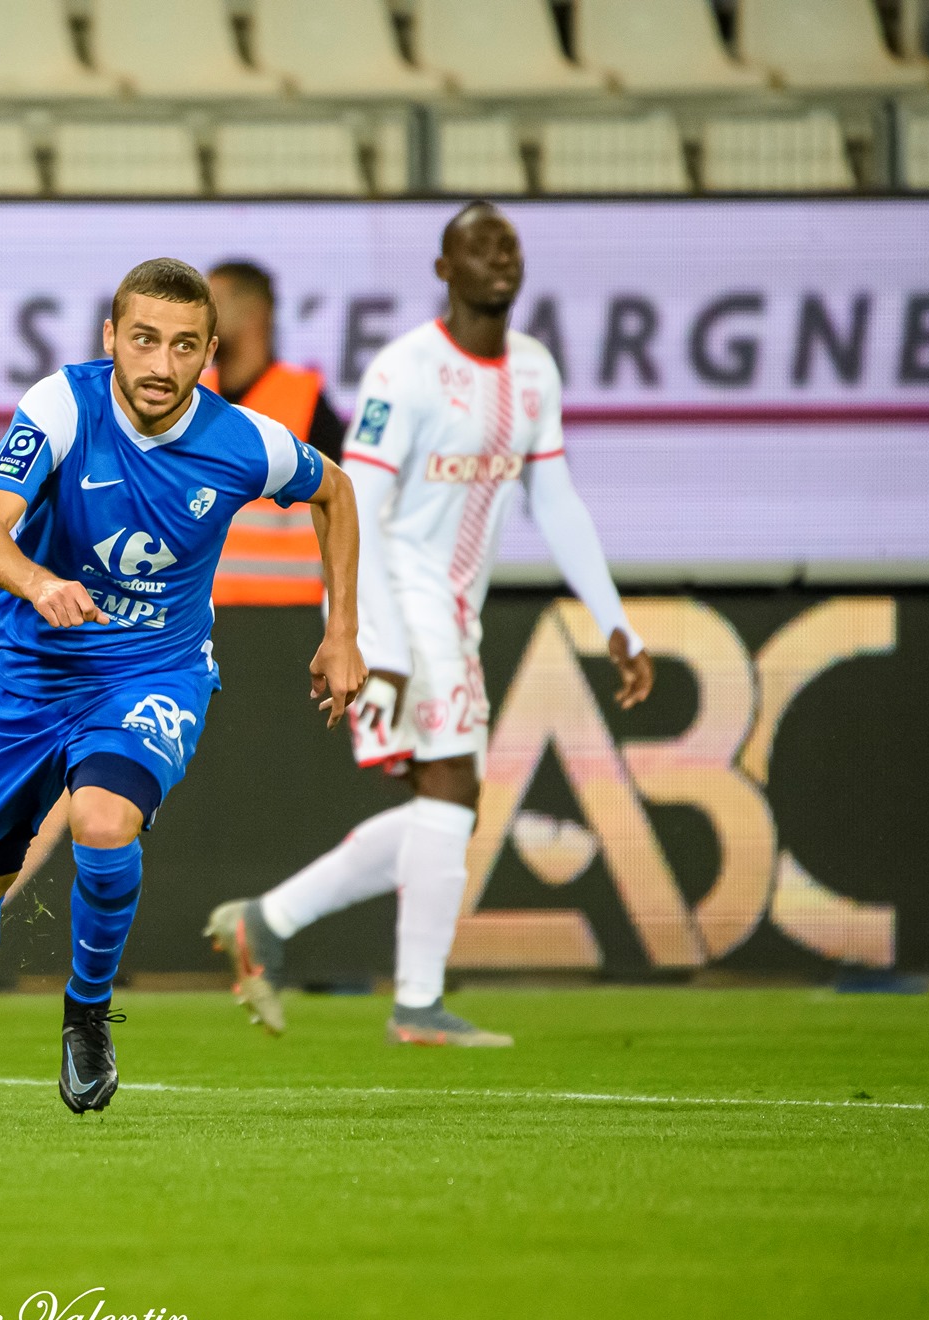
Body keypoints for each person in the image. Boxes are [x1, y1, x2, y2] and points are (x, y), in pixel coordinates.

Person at [0, 258, 367, 1122]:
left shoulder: (243, 442)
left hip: (153, 671)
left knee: (104, 822)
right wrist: (38, 582)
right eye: (144, 339)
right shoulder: (62, 407)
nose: (160, 364)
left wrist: (341, 631)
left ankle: (86, 1015)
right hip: (32, 674)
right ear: (111, 337)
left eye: (184, 346)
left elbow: (335, 490)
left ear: (210, 353)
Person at [204, 202, 654, 1047]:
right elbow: (356, 501)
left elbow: (555, 498)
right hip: (396, 597)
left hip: (454, 608)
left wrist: (614, 619)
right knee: (452, 787)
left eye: (508, 243)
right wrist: (365, 634)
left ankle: (268, 920)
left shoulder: (534, 370)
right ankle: (416, 1003)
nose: (499, 256)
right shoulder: (405, 370)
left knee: (448, 805)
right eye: (478, 246)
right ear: (445, 269)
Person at [204, 261, 349, 607]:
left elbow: (344, 506)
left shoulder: (307, 401)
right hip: (202, 614)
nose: (200, 316)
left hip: (289, 615)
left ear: (255, 313)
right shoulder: (192, 398)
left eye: (213, 303)